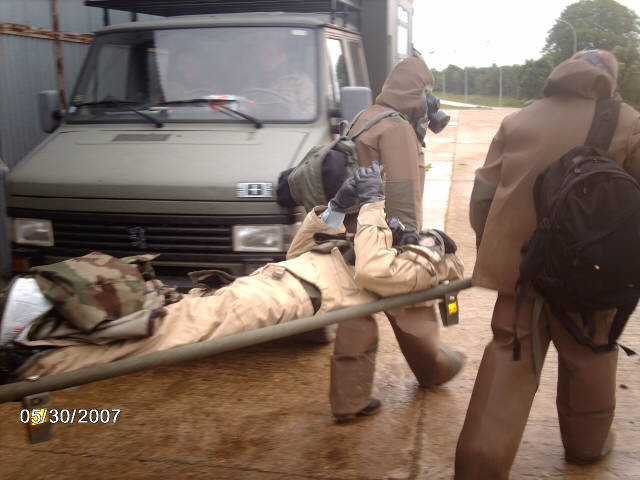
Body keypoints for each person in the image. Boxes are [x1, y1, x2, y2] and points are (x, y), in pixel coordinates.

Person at [10, 164, 463, 386]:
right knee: (163, 313)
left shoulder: (422, 267)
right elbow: (300, 252)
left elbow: (376, 273)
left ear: (436, 247)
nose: (416, 233)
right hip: (270, 283)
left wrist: (372, 210)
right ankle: (46, 325)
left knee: (170, 334)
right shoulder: (373, 242)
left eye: (426, 235)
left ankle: (37, 364)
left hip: (282, 300)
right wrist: (337, 208)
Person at [455, 50, 640, 479]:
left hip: (520, 274)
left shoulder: (521, 119)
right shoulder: (628, 122)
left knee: (509, 357)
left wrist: (498, 254)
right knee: (590, 357)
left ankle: (477, 468)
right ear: (609, 79)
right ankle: (586, 449)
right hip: (587, 275)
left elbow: (483, 196)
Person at [329, 54, 462, 421]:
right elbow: (401, 191)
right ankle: (434, 369)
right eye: (426, 92)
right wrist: (414, 244)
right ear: (415, 93)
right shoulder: (397, 129)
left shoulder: (366, 116)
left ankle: (348, 399)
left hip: (356, 230)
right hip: (387, 235)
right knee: (414, 307)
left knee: (356, 312)